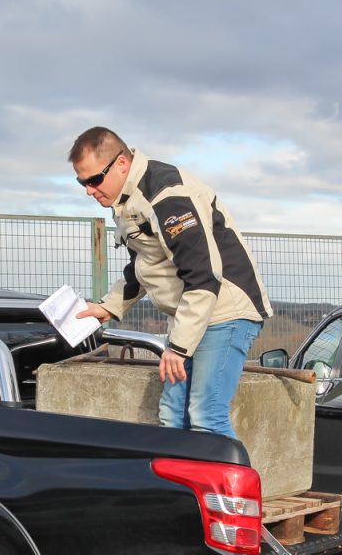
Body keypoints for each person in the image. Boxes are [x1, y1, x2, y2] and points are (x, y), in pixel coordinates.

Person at [70, 126, 272, 441]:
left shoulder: (167, 196)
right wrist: (107, 308)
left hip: (225, 311)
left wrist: (177, 348)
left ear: (121, 163)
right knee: (172, 415)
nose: (89, 190)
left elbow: (204, 275)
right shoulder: (126, 201)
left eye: (95, 179)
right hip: (190, 315)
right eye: (82, 182)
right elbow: (145, 265)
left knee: (207, 416)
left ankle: (238, 476)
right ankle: (180, 476)